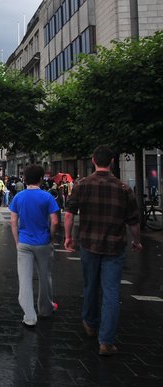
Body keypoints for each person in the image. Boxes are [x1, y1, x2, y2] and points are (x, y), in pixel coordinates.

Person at [64, 145, 142, 357]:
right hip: (115, 247)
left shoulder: (82, 185)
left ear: (93, 160)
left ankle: (90, 322)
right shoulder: (124, 188)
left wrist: (68, 237)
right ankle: (106, 341)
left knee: (90, 285)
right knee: (111, 292)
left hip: (89, 244)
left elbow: (69, 214)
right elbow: (133, 221)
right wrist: (137, 241)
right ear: (112, 162)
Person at [9, 164, 59, 328]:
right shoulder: (47, 197)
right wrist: (51, 237)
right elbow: (55, 221)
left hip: (24, 242)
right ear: (40, 179)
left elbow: (13, 222)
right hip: (43, 242)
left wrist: (17, 241)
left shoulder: (18, 197)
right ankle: (45, 309)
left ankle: (29, 317)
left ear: (24, 179)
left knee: (24, 280)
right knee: (45, 277)